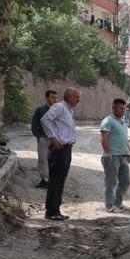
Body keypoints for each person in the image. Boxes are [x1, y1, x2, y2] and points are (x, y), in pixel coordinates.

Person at [40, 88, 80, 221]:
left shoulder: (69, 110)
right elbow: (45, 120)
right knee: (56, 180)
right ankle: (51, 211)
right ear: (68, 97)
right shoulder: (59, 107)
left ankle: (55, 209)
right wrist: (52, 137)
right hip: (59, 149)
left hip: (66, 148)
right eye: (76, 97)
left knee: (60, 181)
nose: (78, 100)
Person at [100, 98, 130, 213]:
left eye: (124, 108)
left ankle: (117, 203)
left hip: (123, 157)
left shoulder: (122, 123)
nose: (123, 110)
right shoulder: (108, 121)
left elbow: (124, 140)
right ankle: (109, 205)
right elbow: (104, 138)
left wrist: (128, 153)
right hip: (112, 157)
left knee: (125, 181)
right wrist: (107, 153)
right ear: (114, 108)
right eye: (120, 108)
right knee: (111, 182)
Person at [30, 90, 58, 188]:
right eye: (52, 97)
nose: (54, 100)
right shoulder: (40, 110)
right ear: (47, 98)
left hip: (56, 140)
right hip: (44, 138)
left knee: (55, 160)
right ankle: (44, 180)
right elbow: (34, 124)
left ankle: (53, 181)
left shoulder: (59, 111)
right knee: (43, 160)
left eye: (56, 98)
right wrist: (38, 136)